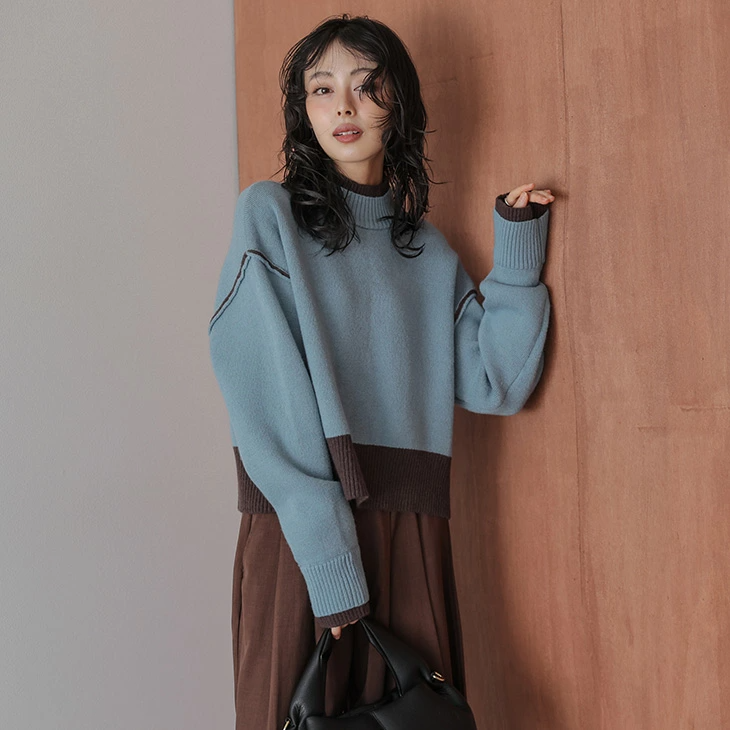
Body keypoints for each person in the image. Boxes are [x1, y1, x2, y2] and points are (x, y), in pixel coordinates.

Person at [207, 13, 554, 729]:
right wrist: (330, 563)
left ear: (399, 105)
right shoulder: (270, 218)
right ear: (303, 110)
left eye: (367, 86)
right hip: (303, 536)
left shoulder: (426, 252)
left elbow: (497, 382)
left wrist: (517, 259)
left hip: (411, 532)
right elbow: (264, 398)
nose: (343, 105)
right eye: (322, 88)